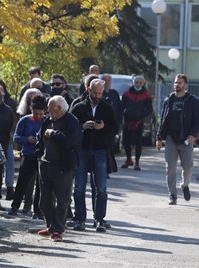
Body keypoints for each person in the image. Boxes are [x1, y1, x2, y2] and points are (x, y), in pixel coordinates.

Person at [69, 79, 118, 232]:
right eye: (94, 92)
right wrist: (82, 126)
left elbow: (115, 128)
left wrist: (103, 127)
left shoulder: (107, 108)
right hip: (82, 150)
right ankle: (80, 219)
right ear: (88, 89)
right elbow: (69, 126)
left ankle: (99, 219)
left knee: (101, 187)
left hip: (100, 150)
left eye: (99, 93)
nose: (97, 95)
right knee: (79, 187)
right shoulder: (78, 106)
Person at [35, 96, 82, 242]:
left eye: (49, 109)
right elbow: (40, 138)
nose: (47, 112)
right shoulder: (48, 120)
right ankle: (51, 225)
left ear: (59, 109)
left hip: (63, 166)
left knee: (62, 200)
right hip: (46, 164)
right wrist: (38, 152)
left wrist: (54, 134)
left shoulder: (72, 121)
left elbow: (71, 141)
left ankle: (58, 229)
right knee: (44, 200)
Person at [156, 74, 199, 205]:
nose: (177, 85)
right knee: (170, 168)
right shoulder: (169, 99)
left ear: (185, 85)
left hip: (187, 138)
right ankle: (172, 194)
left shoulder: (192, 101)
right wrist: (159, 137)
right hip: (171, 138)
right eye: (176, 83)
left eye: (180, 83)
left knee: (188, 167)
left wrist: (193, 134)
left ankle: (185, 185)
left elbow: (197, 120)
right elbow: (163, 119)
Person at [8, 95, 47, 216]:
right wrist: (27, 139)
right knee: (22, 182)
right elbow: (16, 137)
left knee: (41, 185)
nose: (38, 116)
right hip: (28, 154)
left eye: (41, 114)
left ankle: (38, 210)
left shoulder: (47, 121)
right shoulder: (24, 120)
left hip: (42, 156)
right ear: (31, 109)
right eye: (36, 113)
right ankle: (15, 206)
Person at [0, 77, 18, 201]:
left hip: (5, 140)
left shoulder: (9, 106)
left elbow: (13, 121)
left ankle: (9, 188)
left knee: (8, 163)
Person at [121, 75, 152, 171]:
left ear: (143, 84)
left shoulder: (146, 95)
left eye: (140, 83)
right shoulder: (126, 94)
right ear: (133, 82)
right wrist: (124, 113)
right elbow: (122, 107)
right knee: (126, 141)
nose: (138, 84)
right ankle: (128, 159)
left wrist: (141, 115)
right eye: (136, 82)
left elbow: (149, 109)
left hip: (139, 122)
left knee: (138, 142)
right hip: (127, 121)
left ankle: (137, 162)